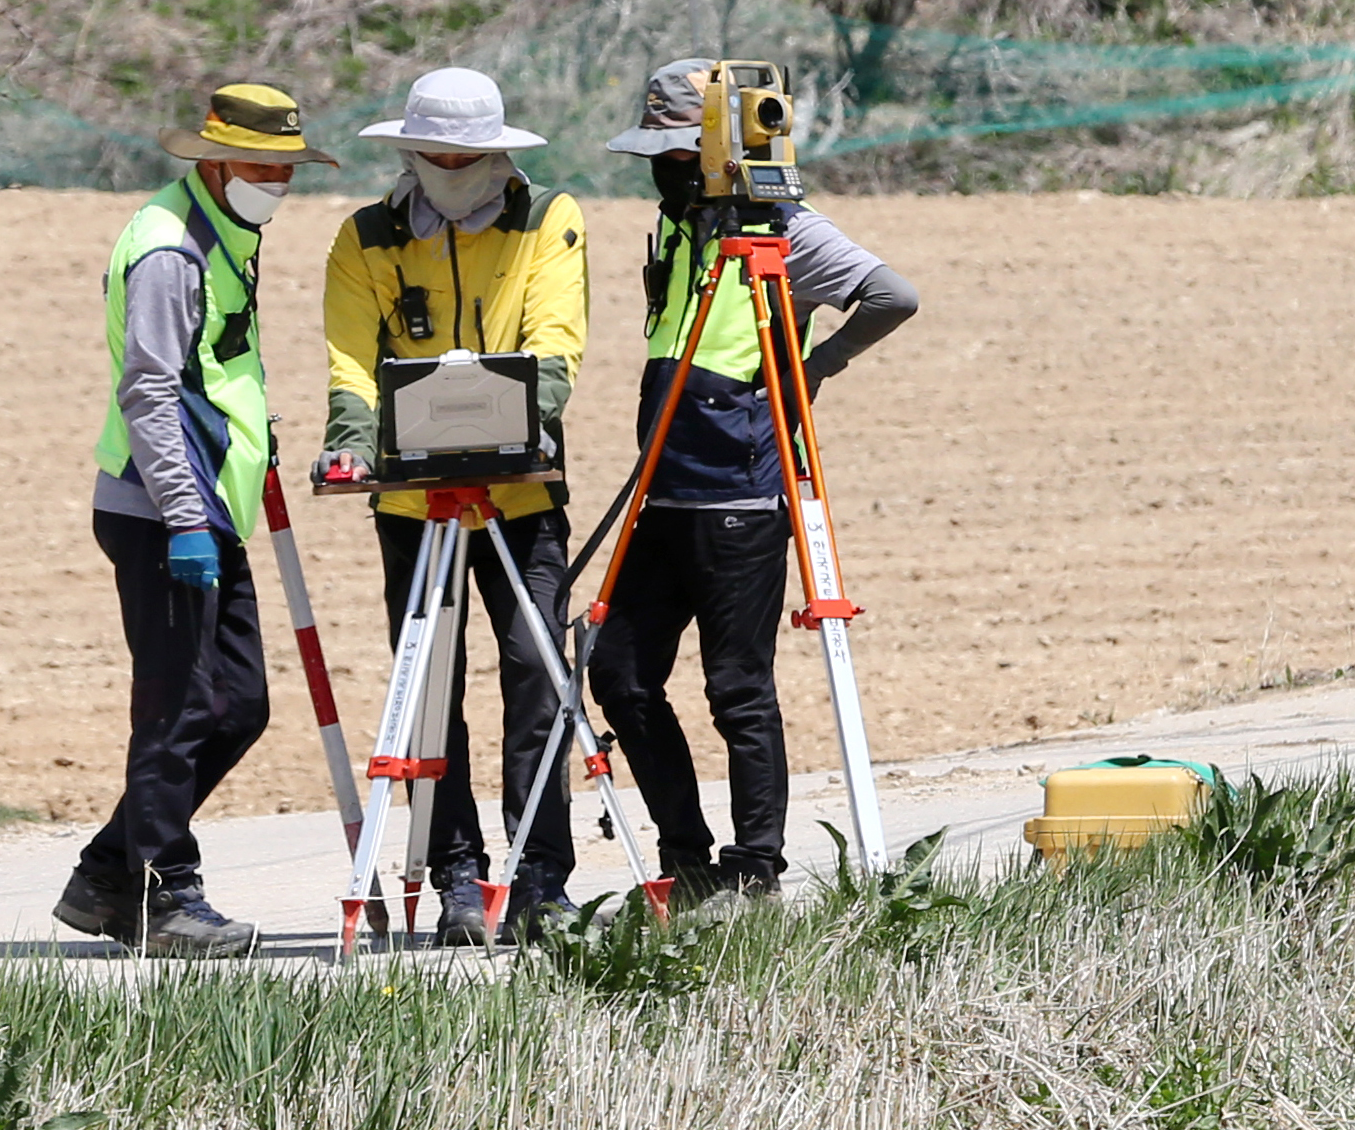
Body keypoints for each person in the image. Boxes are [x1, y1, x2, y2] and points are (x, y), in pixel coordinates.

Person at [588, 59, 919, 904]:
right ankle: (688, 858)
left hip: (738, 497)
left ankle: (755, 869)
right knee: (620, 674)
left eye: (675, 154)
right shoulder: (673, 226)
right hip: (660, 488)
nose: (660, 171)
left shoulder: (785, 228)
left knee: (737, 688)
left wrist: (813, 371)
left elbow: (890, 295)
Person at [53, 83, 336, 957]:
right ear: (214, 161)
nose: (277, 183)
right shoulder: (170, 251)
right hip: (168, 513)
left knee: (237, 706)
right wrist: (183, 518)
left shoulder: (224, 232)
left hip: (212, 506)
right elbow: (149, 389)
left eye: (287, 169)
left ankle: (107, 874)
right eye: (263, 167)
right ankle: (163, 897)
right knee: (178, 711)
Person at [318, 67, 589, 944]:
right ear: (407, 149)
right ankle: (458, 880)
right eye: (436, 154)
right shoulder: (366, 239)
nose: (451, 166)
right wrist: (352, 442)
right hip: (412, 503)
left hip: (522, 493)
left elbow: (556, 339)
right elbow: (351, 360)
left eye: (468, 156)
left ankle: (542, 878)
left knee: (536, 677)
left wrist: (526, 417)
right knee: (431, 693)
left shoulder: (551, 219)